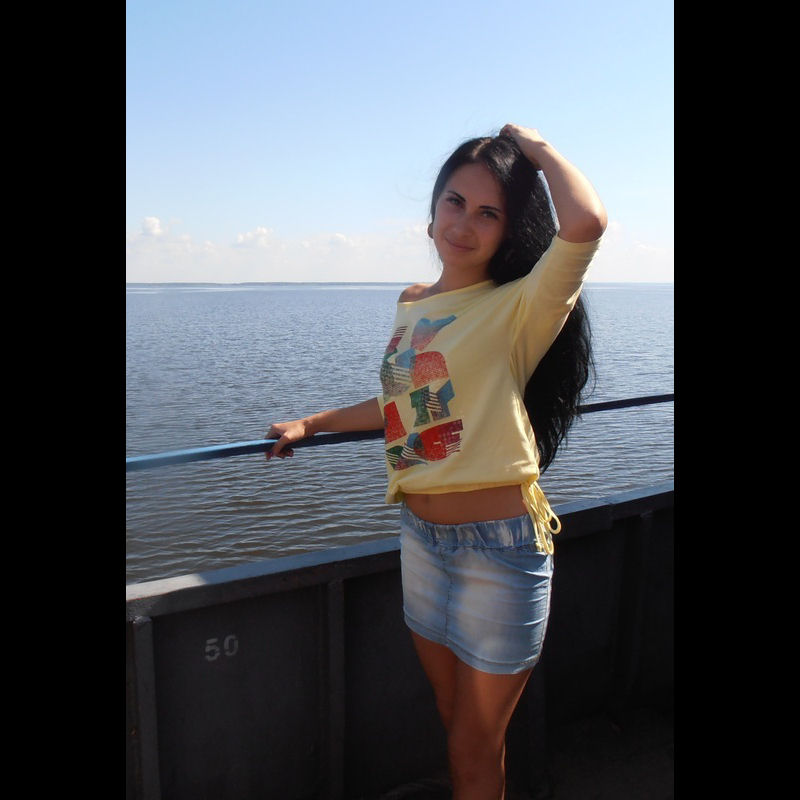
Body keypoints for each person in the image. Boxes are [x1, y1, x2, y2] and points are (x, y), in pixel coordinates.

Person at [265, 123, 607, 800]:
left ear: (509, 231)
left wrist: (536, 149)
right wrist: (313, 422)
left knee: (474, 748)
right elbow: (404, 402)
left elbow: (586, 223)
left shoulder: (520, 306)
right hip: (421, 542)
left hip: (500, 553)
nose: (464, 223)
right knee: (456, 724)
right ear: (432, 211)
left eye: (488, 213)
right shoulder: (413, 303)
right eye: (455, 202)